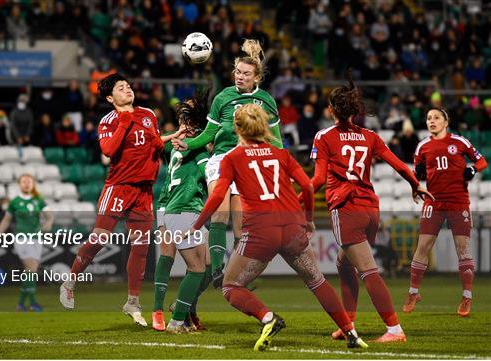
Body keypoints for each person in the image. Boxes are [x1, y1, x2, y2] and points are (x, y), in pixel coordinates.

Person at [189, 104, 368, 351]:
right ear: (263, 126)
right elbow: (307, 186)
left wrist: (197, 225)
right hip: (292, 226)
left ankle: (268, 318)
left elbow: (218, 195)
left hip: (261, 231)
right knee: (317, 280)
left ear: (236, 129)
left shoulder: (231, 158)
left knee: (231, 286)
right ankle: (351, 333)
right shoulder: (281, 154)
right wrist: (308, 218)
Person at [310, 71, 433, 343]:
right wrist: (415, 184)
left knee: (368, 270)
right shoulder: (369, 136)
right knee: (344, 263)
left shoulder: (324, 137)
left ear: (331, 110)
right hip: (370, 210)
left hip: (346, 207)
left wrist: (296, 203)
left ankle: (394, 329)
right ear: (354, 111)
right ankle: (348, 323)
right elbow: (399, 163)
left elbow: (318, 179)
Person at [59, 73, 183, 327]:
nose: (127, 89)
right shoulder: (108, 121)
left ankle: (132, 302)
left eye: (128, 85)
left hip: (143, 191)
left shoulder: (148, 114)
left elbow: (154, 145)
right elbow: (108, 150)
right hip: (119, 187)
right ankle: (70, 282)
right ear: (109, 97)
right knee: (100, 238)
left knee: (141, 247)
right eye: (120, 87)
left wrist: (175, 137)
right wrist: (125, 121)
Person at [172, 39, 283, 288]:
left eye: (245, 74)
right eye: (237, 72)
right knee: (219, 215)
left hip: (249, 163)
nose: (239, 77)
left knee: (242, 229)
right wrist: (188, 144)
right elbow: (209, 134)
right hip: (222, 159)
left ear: (257, 78)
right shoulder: (223, 97)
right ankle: (218, 271)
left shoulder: (266, 101)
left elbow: (277, 142)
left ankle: (235, 276)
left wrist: (278, 167)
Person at [403, 108, 488, 317]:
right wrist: (417, 179)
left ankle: (467, 296)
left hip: (458, 201)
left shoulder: (460, 142)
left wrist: (473, 169)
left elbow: (481, 161)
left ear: (446, 121)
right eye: (428, 118)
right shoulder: (422, 146)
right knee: (423, 245)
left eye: (436, 118)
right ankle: (413, 292)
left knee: (462, 247)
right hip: (433, 202)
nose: (431, 121)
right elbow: (417, 172)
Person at [156, 96, 213, 334]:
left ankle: (182, 305)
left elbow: (159, 145)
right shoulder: (198, 149)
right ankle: (177, 320)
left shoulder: (174, 147)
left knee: (211, 264)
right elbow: (208, 175)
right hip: (184, 210)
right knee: (197, 268)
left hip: (181, 209)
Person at [0, 174, 54, 312]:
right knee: (31, 268)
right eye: (23, 181)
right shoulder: (15, 202)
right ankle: (32, 303)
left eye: (29, 181)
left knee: (30, 271)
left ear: (33, 184)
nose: (26, 184)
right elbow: (7, 220)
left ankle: (21, 304)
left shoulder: (38, 200)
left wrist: (48, 224)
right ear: (19, 184)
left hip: (36, 239)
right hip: (21, 238)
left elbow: (49, 216)